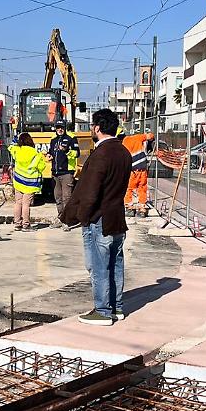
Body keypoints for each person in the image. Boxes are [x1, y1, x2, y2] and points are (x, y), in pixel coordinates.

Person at [62, 109, 132, 326]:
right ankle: (116, 307)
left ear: (97, 127)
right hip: (117, 217)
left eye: (93, 125)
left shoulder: (100, 154)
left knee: (99, 266)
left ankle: (102, 311)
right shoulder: (123, 152)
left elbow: (90, 191)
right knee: (116, 263)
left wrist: (81, 216)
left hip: (99, 219)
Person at [8, 132, 46, 231]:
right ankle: (26, 225)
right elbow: (42, 167)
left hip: (18, 181)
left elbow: (10, 147)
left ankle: (17, 224)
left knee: (18, 203)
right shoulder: (35, 153)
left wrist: (15, 139)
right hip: (30, 183)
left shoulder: (17, 150)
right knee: (26, 204)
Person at [48, 121, 80, 229]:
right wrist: (49, 156)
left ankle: (68, 221)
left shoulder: (71, 138)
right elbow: (51, 152)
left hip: (67, 172)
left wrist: (66, 150)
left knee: (67, 198)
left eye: (62, 127)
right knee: (58, 198)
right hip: (55, 173)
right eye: (58, 128)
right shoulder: (53, 140)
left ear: (65, 128)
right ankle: (61, 219)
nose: (60, 129)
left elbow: (77, 153)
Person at [120, 130, 154, 217]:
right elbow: (150, 136)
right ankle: (142, 209)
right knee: (142, 188)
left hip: (131, 171)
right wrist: (151, 141)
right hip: (142, 169)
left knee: (128, 189)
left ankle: (129, 208)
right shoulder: (137, 137)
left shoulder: (121, 144)